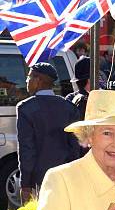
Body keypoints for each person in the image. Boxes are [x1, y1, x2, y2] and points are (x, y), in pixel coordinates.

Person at [16, 62, 81, 202]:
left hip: (40, 180)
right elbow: (75, 147)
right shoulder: (69, 108)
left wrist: (25, 184)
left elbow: (27, 149)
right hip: (66, 177)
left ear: (38, 80)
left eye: (29, 77)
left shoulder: (26, 108)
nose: (27, 81)